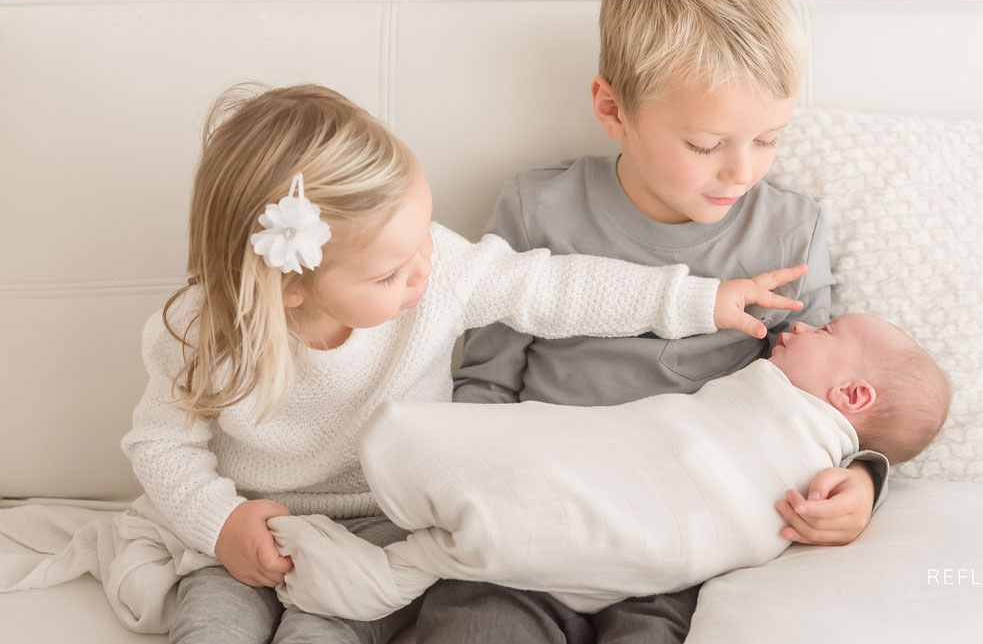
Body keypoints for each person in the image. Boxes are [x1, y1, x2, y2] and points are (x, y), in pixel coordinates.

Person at [119, 82, 810, 644]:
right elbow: (159, 444)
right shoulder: (200, 333)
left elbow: (553, 288)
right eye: (392, 271)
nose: (424, 271)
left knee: (322, 630)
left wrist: (698, 300)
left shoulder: (438, 266)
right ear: (290, 286)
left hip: (387, 523)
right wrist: (219, 523)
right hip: (247, 522)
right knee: (212, 627)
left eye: (423, 237)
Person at [416, 0, 890, 644]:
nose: (741, 171)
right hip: (536, 524)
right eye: (706, 144)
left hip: (682, 546)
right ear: (613, 110)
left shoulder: (790, 231)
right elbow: (485, 384)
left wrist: (862, 480)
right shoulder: (540, 209)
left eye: (769, 138)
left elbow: (819, 409)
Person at [271, 312, 951, 622]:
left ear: (852, 396)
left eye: (826, 333)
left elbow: (847, 451)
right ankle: (414, 552)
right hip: (615, 472)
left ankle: (414, 552)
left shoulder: (809, 429)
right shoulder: (544, 201)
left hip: (675, 558)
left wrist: (865, 477)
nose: (799, 327)